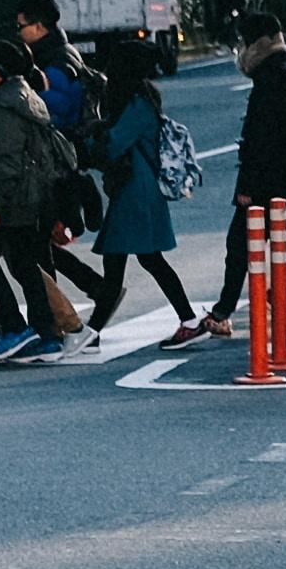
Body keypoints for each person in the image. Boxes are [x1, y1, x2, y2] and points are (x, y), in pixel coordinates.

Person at [64, 36, 208, 347]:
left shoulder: (136, 103)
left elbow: (115, 144)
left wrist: (86, 141)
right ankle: (186, 320)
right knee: (144, 260)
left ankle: (93, 333)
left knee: (122, 263)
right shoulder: (140, 97)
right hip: (137, 190)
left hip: (136, 192)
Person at [0, 51, 89, 361]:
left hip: (10, 200)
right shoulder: (26, 96)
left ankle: (16, 326)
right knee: (23, 263)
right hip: (31, 196)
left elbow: (7, 161)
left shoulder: (4, 105)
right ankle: (47, 334)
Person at [203, 27, 286, 337]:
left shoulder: (269, 82)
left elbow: (260, 140)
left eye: (245, 43)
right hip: (281, 180)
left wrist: (245, 187)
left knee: (240, 247)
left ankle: (224, 311)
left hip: (265, 182)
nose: (241, 51)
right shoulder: (282, 77)